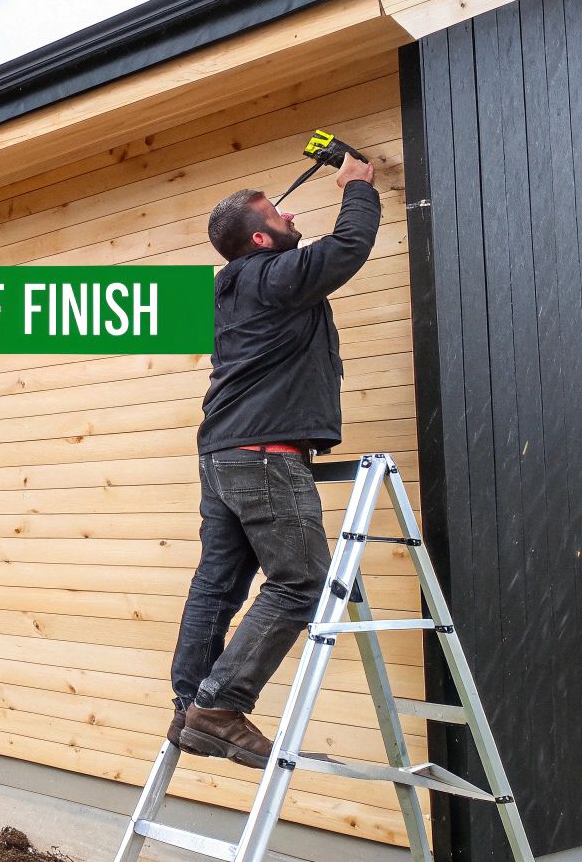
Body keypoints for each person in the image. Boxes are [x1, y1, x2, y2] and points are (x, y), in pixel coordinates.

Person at [166, 152, 379, 767]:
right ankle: (220, 708)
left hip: (223, 455)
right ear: (261, 239)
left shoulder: (235, 287)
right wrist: (357, 186)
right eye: (277, 215)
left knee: (219, 582)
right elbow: (345, 250)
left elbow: (310, 261)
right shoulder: (271, 276)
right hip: (264, 458)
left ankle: (190, 703)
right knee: (302, 582)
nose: (290, 215)